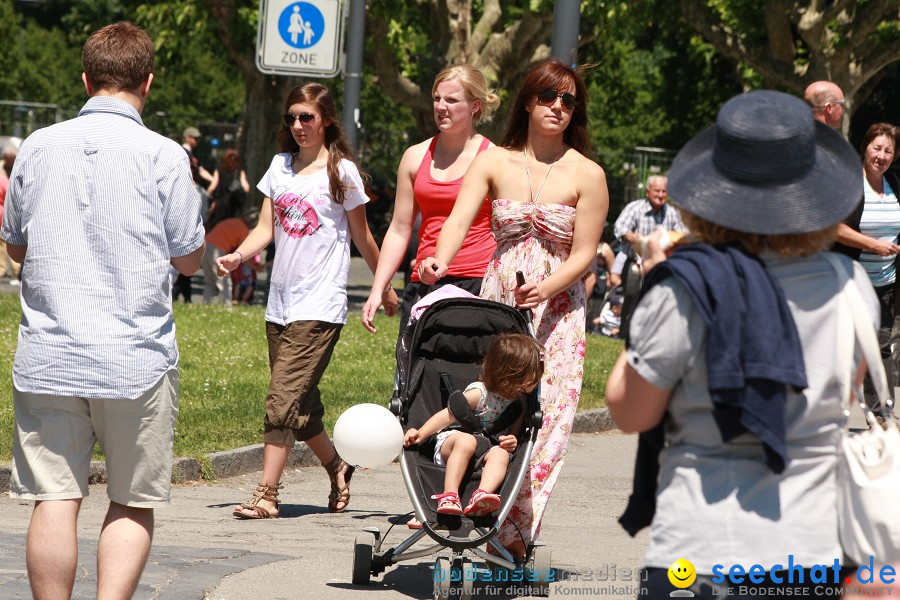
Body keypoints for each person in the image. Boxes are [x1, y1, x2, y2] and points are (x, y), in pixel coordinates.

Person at [606, 90, 870, 599]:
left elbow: (631, 412)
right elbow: (847, 393)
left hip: (700, 551)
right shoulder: (849, 283)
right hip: (813, 551)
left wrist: (658, 281)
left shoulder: (687, 286)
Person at [0, 22, 205, 599]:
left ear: (86, 78)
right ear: (148, 82)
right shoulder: (165, 155)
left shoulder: (38, 145)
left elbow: (14, 244)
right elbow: (189, 260)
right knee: (131, 500)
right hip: (133, 357)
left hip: (50, 352)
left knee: (54, 498)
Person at [419, 60, 609, 558]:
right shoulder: (494, 161)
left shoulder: (588, 173)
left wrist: (550, 286)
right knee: (492, 409)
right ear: (528, 100)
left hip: (558, 309)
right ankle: (473, 504)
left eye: (569, 101)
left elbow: (586, 251)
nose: (559, 108)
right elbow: (459, 222)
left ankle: (515, 532)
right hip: (502, 298)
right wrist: (437, 261)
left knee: (547, 422)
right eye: (549, 97)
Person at [217, 82, 398, 518]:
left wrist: (384, 287)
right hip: (279, 304)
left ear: (326, 121)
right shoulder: (279, 167)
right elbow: (266, 228)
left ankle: (266, 494)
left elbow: (363, 236)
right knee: (302, 405)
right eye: (292, 117)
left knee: (281, 401)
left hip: (320, 306)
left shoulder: (342, 172)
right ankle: (337, 467)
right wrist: (239, 254)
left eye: (307, 117)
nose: (298, 125)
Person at [361, 64, 499, 335]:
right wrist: (378, 289)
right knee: (415, 372)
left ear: (475, 106)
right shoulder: (414, 156)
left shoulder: (495, 157)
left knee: (473, 375)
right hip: (425, 281)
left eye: (451, 99)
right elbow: (400, 229)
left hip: (478, 282)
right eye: (437, 98)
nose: (441, 107)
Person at [404, 333, 543, 516]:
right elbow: (447, 416)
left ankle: (483, 495)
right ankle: (450, 496)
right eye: (533, 375)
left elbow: (513, 435)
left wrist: (511, 441)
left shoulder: (518, 404)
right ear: (512, 374)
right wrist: (421, 433)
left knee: (501, 454)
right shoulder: (479, 394)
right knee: (466, 441)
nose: (538, 378)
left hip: (487, 448)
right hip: (453, 443)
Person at [613, 175, 687, 335]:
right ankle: (625, 333)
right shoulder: (635, 208)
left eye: (664, 191)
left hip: (663, 264)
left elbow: (682, 233)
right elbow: (620, 227)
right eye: (657, 191)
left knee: (661, 299)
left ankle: (653, 335)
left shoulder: (672, 213)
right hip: (635, 262)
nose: (661, 195)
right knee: (632, 296)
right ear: (647, 192)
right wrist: (630, 236)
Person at [202, 214, 250, 303]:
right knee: (224, 281)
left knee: (209, 280)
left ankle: (206, 303)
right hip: (217, 248)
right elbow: (243, 254)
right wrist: (256, 267)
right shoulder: (243, 229)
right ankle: (227, 305)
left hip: (204, 245)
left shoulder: (233, 221)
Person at [207, 148, 250, 229]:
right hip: (233, 205)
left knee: (217, 228)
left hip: (220, 204)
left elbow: (212, 186)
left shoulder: (219, 170)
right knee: (230, 228)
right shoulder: (239, 171)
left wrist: (208, 195)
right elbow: (246, 187)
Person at [584, 238, 617, 328]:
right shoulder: (585, 243)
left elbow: (614, 274)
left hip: (599, 292)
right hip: (586, 286)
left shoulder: (604, 248)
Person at [0, 143, 21, 284]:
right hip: (4, 214)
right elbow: (11, 195)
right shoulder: (4, 180)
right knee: (8, 244)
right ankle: (14, 274)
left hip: (3, 215)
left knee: (4, 245)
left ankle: (4, 271)